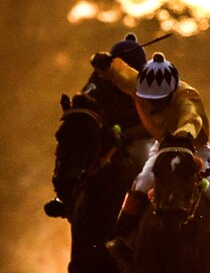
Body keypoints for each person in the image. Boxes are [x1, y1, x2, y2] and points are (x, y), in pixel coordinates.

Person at [90, 50, 210, 257]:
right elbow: (121, 74)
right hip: (163, 146)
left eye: (160, 100)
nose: (154, 104)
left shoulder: (187, 95)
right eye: (149, 99)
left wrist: (183, 135)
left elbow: (191, 118)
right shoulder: (140, 85)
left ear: (171, 91)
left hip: (194, 146)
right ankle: (121, 235)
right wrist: (105, 63)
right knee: (143, 181)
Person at [44, 33, 154, 219]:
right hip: (105, 133)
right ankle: (65, 197)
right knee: (73, 149)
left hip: (138, 137)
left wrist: (126, 136)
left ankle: (146, 213)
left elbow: (153, 123)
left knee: (146, 166)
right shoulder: (99, 78)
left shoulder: (148, 84)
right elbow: (86, 102)